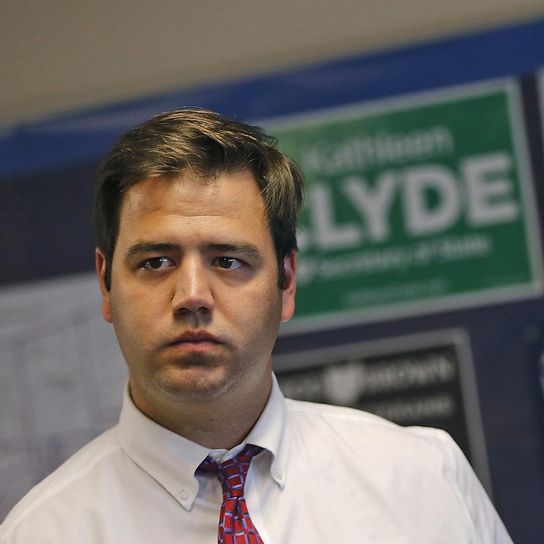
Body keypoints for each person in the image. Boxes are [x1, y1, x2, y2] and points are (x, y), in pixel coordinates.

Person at [0, 109, 513, 543]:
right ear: (106, 284)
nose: (193, 296)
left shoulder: (423, 478)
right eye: (156, 262)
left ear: (286, 282)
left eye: (227, 260)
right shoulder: (39, 533)